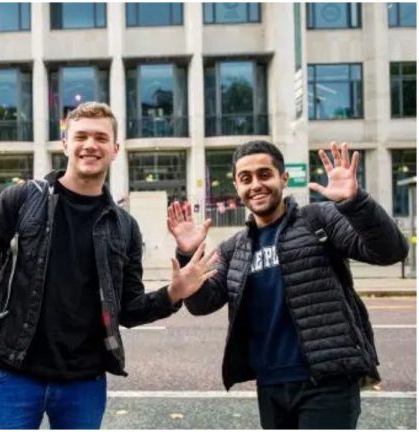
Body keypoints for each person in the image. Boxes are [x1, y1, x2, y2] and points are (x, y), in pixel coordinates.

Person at [0, 101, 219, 429]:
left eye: (101, 138)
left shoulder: (124, 226)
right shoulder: (22, 199)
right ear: (65, 144)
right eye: (81, 136)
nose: (90, 145)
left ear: (115, 149)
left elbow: (129, 311)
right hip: (14, 375)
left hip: (84, 383)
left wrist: (173, 294)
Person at [167, 140, 409, 429]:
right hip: (270, 384)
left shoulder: (319, 219)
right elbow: (202, 304)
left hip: (327, 381)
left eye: (264, 174)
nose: (256, 184)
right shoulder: (234, 249)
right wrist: (186, 255)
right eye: (246, 179)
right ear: (236, 186)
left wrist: (355, 203)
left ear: (283, 178)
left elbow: (391, 251)